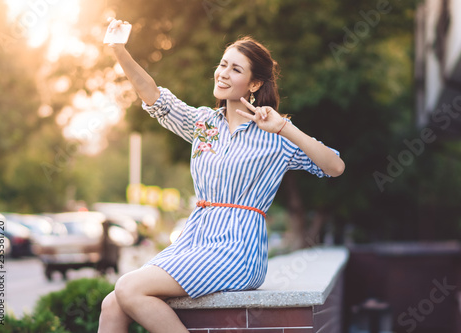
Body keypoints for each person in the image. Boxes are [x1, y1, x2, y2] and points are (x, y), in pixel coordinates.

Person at [98, 19, 345, 333]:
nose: (223, 73)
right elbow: (154, 96)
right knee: (112, 303)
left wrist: (284, 126)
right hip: (194, 241)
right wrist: (118, 49)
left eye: (236, 69)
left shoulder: (275, 136)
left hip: (237, 248)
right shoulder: (203, 124)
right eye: (223, 64)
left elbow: (335, 166)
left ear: (254, 85)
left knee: (130, 288)